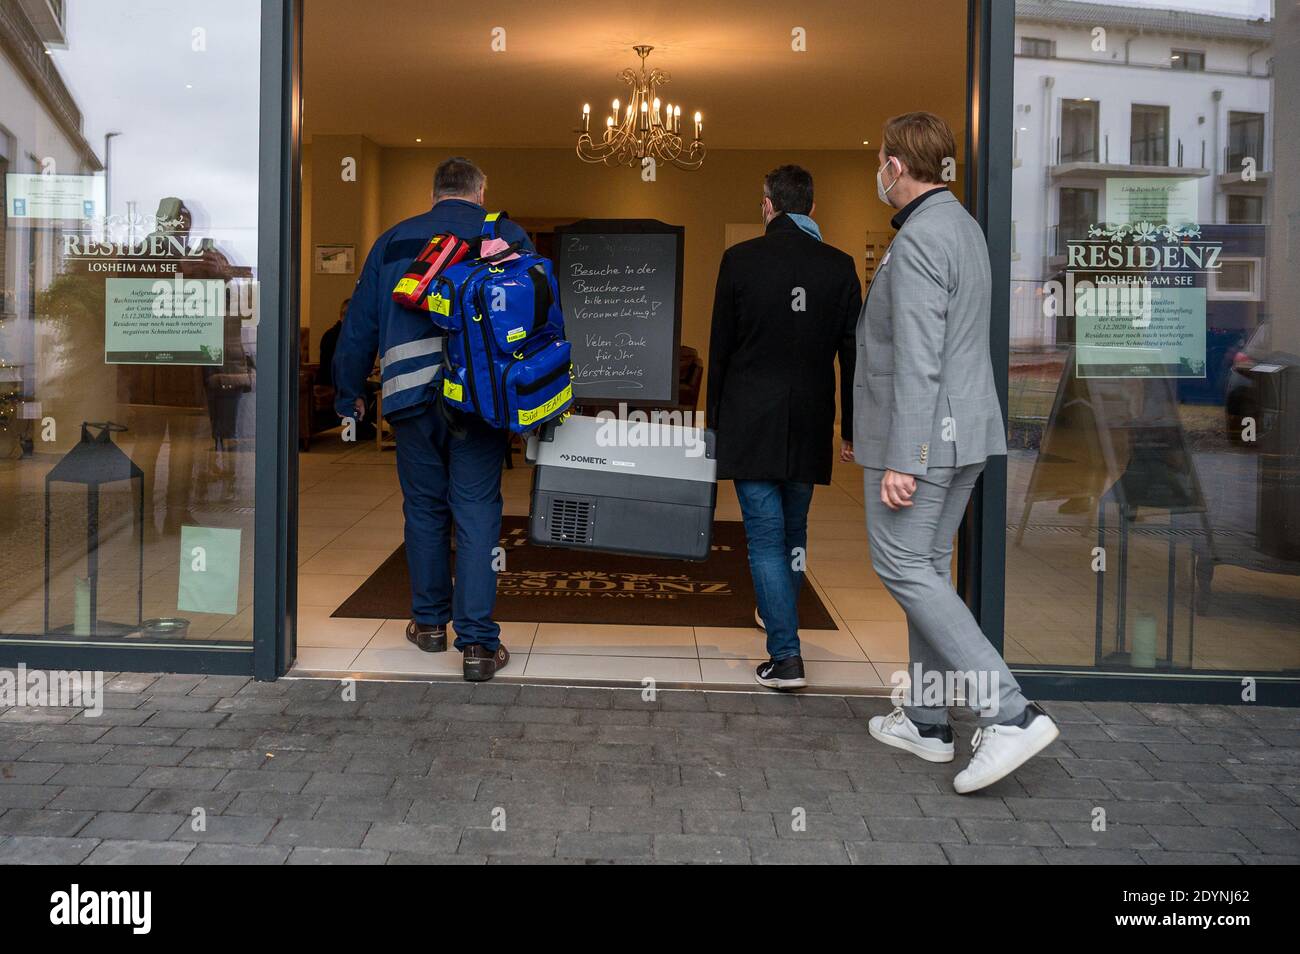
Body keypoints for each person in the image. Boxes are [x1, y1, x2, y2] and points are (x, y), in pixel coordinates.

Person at [848, 112, 1058, 792]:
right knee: (927, 569)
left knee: (903, 566)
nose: (879, 170)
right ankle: (929, 722)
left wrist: (904, 456)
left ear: (896, 168)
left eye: (881, 160)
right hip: (967, 432)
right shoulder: (965, 230)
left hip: (924, 437)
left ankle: (1010, 713)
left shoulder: (915, 245)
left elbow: (918, 359)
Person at [332, 156, 533, 682]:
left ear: (433, 193)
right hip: (480, 400)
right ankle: (477, 646)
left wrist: (348, 391)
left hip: (409, 395)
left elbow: (359, 324)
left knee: (423, 508)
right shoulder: (505, 234)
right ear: (481, 190)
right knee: (476, 512)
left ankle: (427, 626)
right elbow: (535, 315)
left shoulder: (394, 240)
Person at [707, 164, 861, 690]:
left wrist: (713, 425)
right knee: (794, 533)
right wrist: (851, 429)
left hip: (751, 421)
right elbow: (851, 355)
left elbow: (720, 350)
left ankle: (786, 655)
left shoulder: (740, 261)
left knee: (765, 539)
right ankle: (778, 620)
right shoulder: (840, 268)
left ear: (767, 205)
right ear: (812, 209)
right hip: (811, 419)